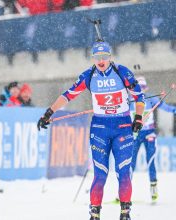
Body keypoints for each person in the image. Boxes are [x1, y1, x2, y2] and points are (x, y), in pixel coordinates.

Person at [37, 41, 145, 220]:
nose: (101, 61)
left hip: (123, 127)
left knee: (123, 172)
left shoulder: (122, 72)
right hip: (100, 128)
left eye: (104, 57)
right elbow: (68, 95)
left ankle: (125, 213)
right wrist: (49, 112)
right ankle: (94, 214)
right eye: (97, 58)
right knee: (100, 174)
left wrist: (138, 117)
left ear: (110, 57)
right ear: (93, 59)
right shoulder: (88, 75)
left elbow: (139, 96)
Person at [130, 76, 176, 202]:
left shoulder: (151, 98)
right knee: (130, 164)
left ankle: (153, 190)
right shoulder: (130, 101)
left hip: (149, 134)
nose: (141, 91)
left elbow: (165, 107)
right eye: (138, 88)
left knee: (150, 161)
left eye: (142, 88)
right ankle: (124, 192)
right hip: (135, 134)